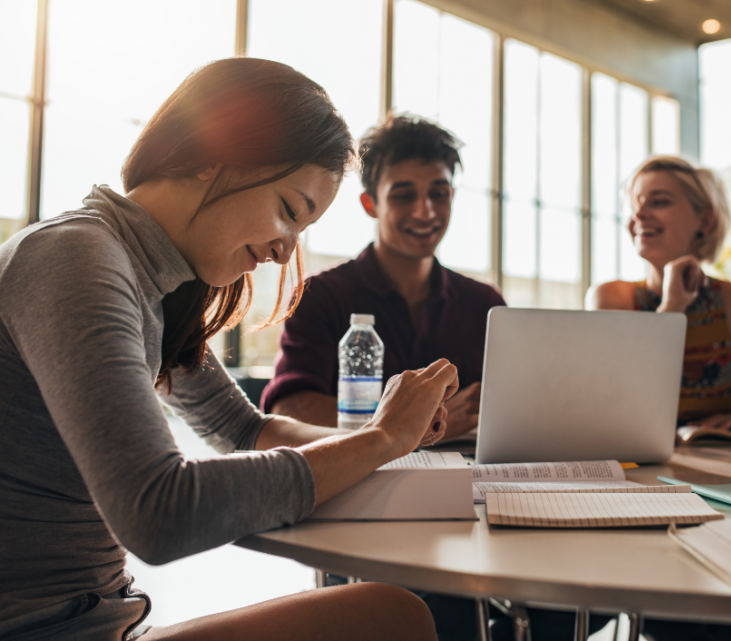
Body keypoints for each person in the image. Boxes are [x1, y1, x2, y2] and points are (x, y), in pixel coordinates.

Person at [0, 57, 453, 640]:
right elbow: (159, 513)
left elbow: (245, 431)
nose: (286, 252)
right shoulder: (74, 259)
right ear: (211, 156)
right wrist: (380, 439)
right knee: (391, 618)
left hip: (102, 620)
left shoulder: (152, 283)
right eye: (290, 211)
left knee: (386, 612)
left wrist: (394, 445)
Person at [261, 114, 505, 442]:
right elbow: (290, 409)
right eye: (404, 195)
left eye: (439, 193)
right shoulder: (320, 295)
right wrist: (417, 425)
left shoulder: (485, 304)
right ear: (370, 204)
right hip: (359, 485)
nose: (426, 212)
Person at [586, 155, 731, 434]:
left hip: (730, 463)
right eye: (635, 204)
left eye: (659, 201)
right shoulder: (609, 300)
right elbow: (616, 392)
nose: (639, 215)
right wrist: (672, 307)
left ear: (705, 220)